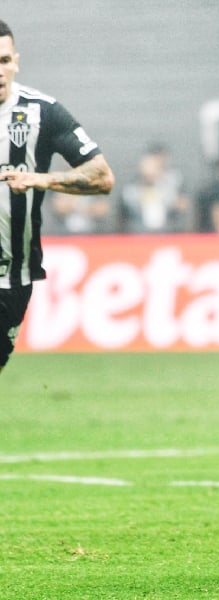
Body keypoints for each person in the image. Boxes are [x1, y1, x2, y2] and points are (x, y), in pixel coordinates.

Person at [0, 19, 114, 376]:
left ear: (16, 60)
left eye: (3, 61)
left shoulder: (41, 113)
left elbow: (102, 177)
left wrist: (40, 179)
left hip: (11, 277)